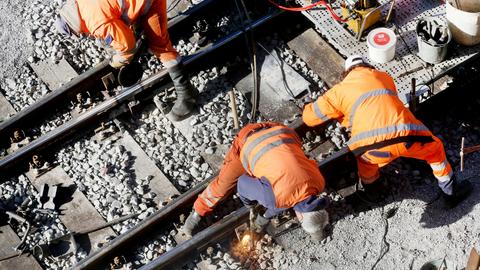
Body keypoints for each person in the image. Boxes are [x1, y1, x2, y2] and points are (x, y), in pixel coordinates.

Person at [302, 55, 471, 208]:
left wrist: (312, 105)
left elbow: (309, 119)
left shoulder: (338, 91)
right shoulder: (384, 77)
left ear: (345, 74)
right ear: (368, 66)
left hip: (369, 147)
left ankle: (375, 192)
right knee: (435, 151)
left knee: (367, 165)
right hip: (407, 136)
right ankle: (451, 193)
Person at [182, 122, 330, 240]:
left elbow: (288, 196)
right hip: (249, 140)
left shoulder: (320, 182)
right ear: (301, 216)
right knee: (224, 184)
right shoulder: (275, 200)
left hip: (280, 131)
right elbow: (242, 183)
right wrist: (251, 206)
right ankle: (198, 211)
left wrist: (267, 215)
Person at [55, 0, 197, 121]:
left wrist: (118, 61)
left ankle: (187, 95)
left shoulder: (95, 23)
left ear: (72, 28)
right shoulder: (81, 4)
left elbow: (127, 46)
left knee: (161, 47)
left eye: (78, 34)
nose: (82, 34)